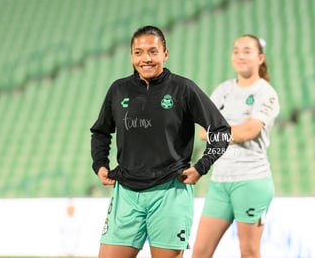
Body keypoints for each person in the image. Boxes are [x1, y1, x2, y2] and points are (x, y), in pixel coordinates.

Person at [90, 25, 231, 258]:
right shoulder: (118, 89)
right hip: (125, 193)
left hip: (171, 192)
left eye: (153, 52)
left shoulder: (183, 89)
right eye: (139, 52)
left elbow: (221, 130)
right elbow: (100, 132)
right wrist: (100, 164)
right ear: (131, 56)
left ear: (165, 54)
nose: (146, 58)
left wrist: (201, 167)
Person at [192, 34, 280, 258]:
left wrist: (220, 131)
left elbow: (249, 131)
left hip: (251, 181)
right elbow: (203, 130)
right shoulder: (223, 90)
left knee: (249, 252)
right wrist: (232, 131)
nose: (240, 56)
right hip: (220, 183)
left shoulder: (265, 93)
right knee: (200, 253)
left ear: (260, 58)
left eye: (247, 51)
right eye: (236, 51)